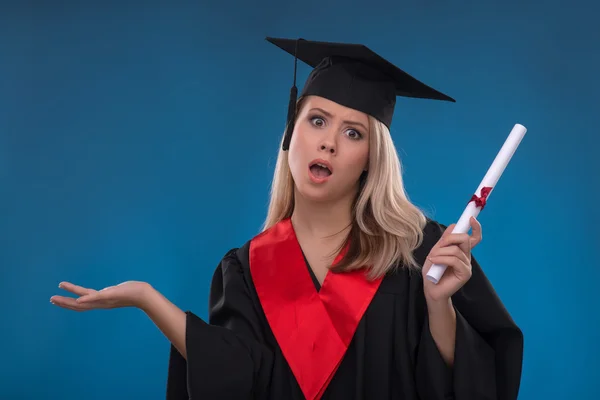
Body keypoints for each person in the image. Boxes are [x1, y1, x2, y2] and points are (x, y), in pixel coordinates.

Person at [50, 37, 524, 400]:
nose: (329, 142)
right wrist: (145, 298)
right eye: (317, 120)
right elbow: (237, 375)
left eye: (352, 132)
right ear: (290, 133)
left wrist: (439, 304)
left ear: (370, 160)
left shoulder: (421, 249)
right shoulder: (247, 267)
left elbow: (471, 385)